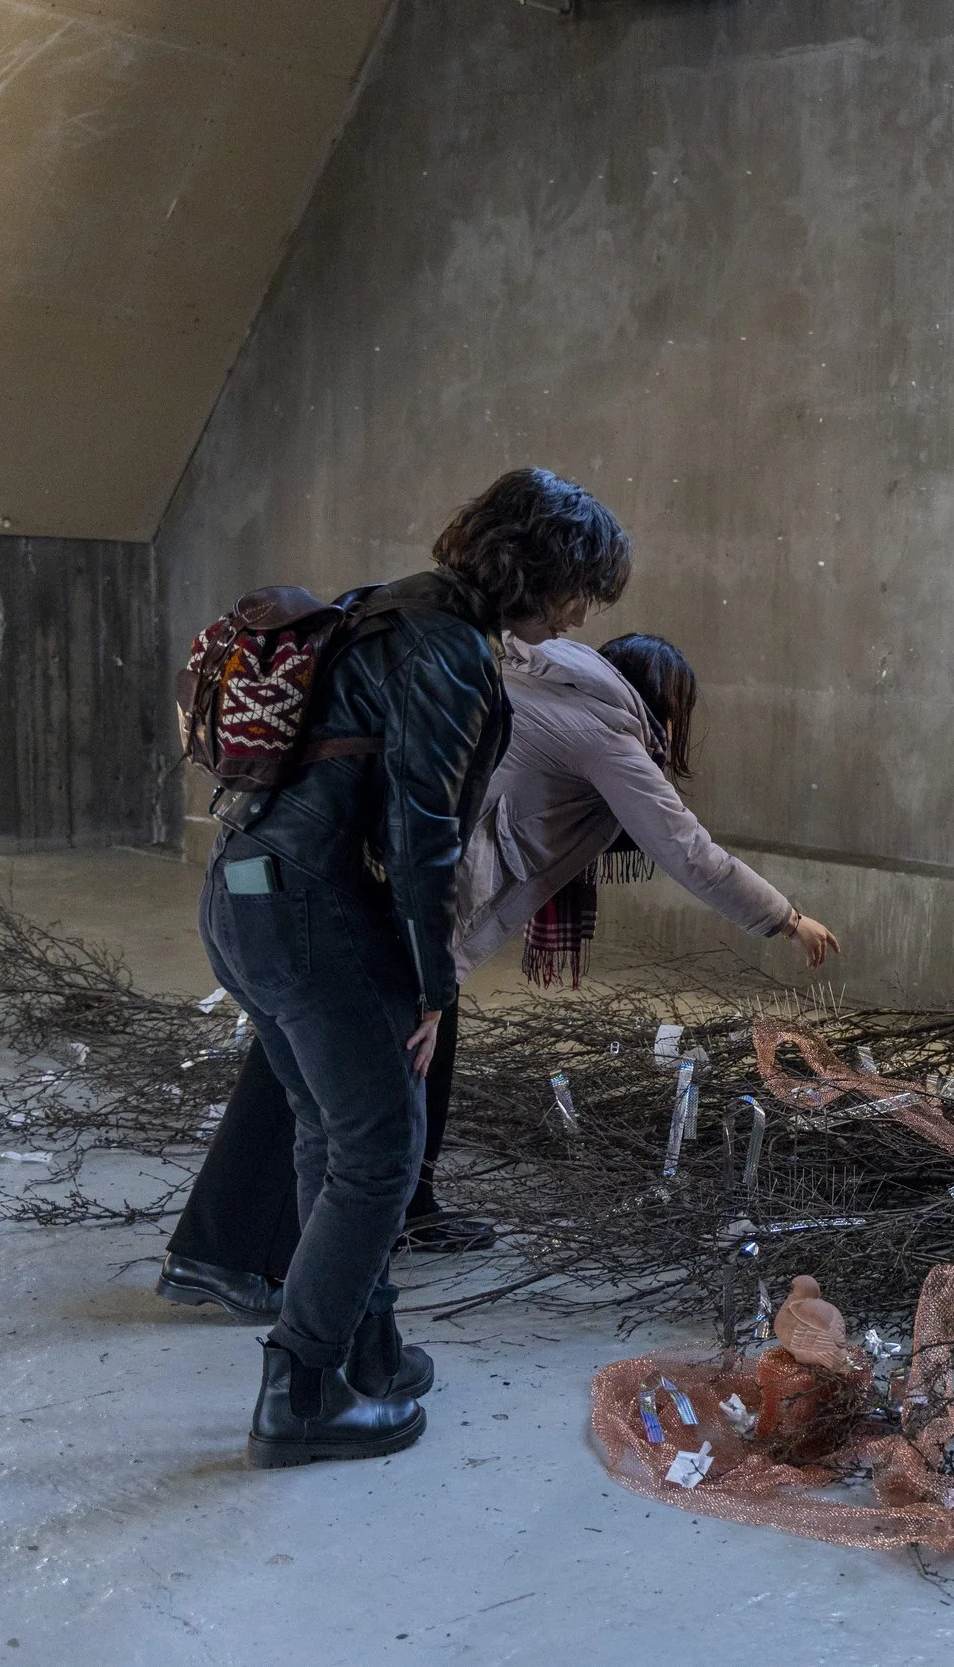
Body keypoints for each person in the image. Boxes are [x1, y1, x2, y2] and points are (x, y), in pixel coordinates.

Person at [157, 632, 839, 1331]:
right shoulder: (604, 736)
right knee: (318, 1066)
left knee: (407, 1043)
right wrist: (787, 917)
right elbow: (691, 852)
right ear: (662, 700)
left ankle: (402, 1210)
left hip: (365, 874)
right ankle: (223, 1254)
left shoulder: (543, 686)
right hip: (383, 893)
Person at [199, 467, 630, 1468]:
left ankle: (368, 1348)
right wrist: (434, 983)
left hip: (245, 888)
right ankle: (301, 1391)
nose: (576, 616)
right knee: (383, 1154)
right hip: (311, 912)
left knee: (332, 1130)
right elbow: (421, 826)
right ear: (545, 570)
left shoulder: (395, 607)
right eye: (581, 590)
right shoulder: (445, 647)